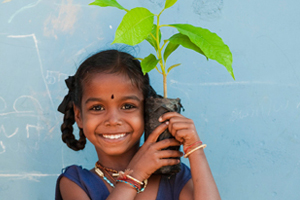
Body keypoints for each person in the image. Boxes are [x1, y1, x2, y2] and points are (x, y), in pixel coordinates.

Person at [55, 49, 221, 200]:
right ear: (79, 116)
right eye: (97, 108)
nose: (113, 120)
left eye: (128, 106)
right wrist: (135, 175)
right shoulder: (75, 183)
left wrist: (195, 150)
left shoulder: (174, 179)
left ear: (147, 112)